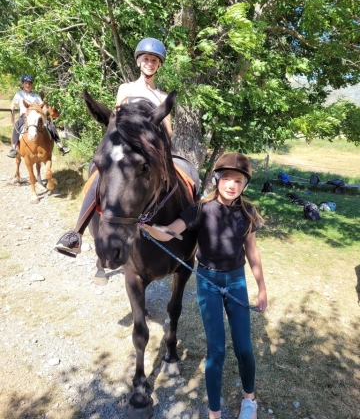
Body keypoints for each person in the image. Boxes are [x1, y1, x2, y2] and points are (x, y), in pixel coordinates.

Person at [140, 152, 267, 419]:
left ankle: (249, 400)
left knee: (244, 346)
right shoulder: (200, 209)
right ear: (217, 179)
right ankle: (214, 412)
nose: (232, 185)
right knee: (216, 349)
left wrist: (262, 287)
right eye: (228, 179)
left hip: (236, 281)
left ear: (245, 185)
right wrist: (149, 227)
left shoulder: (248, 213)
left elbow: (252, 252)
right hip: (208, 282)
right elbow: (170, 231)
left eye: (239, 181)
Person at [54, 37, 171, 257]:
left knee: (184, 175)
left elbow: (169, 129)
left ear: (159, 65)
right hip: (126, 146)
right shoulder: (126, 88)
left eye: (154, 60)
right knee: (99, 176)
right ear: (138, 62)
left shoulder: (162, 96)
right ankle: (75, 234)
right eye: (146, 58)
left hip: (152, 149)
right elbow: (116, 120)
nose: (150, 63)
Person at [7, 75, 70, 158]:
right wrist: (12, 107)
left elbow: (42, 106)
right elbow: (13, 103)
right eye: (26, 83)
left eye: (29, 84)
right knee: (17, 126)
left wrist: (44, 113)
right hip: (25, 116)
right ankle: (14, 148)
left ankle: (60, 145)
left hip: (36, 116)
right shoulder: (19, 94)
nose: (28, 85)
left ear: (31, 85)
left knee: (50, 125)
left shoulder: (36, 95)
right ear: (23, 84)